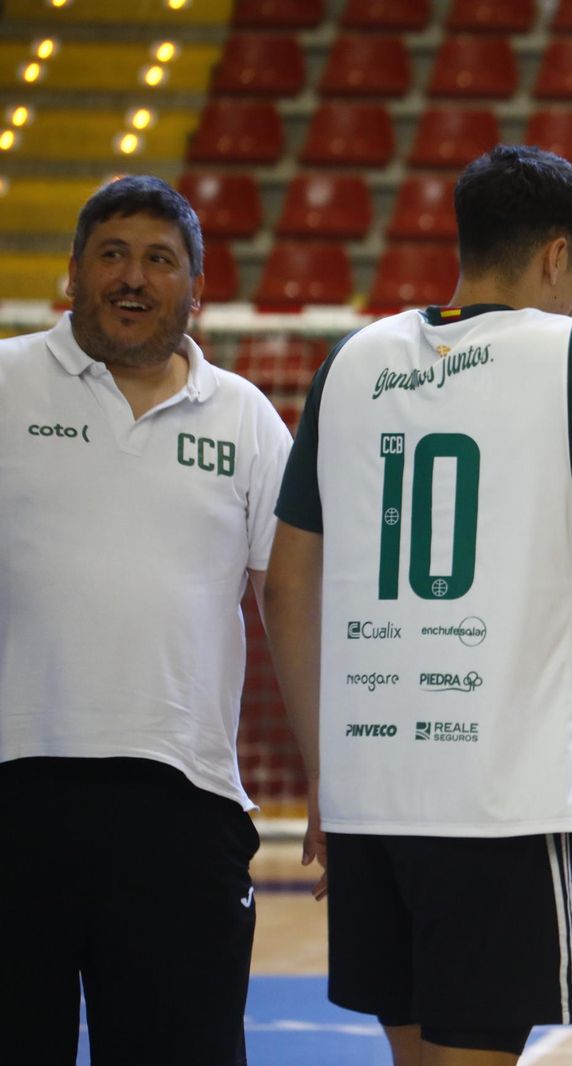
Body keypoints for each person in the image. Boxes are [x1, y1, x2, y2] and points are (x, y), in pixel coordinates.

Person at [263, 145, 572, 1065]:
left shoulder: (351, 360)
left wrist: (326, 772)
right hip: (500, 798)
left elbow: (287, 584)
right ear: (556, 255)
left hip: (368, 790)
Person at [0, 176, 291, 1064]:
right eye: (113, 255)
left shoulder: (245, 416)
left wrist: (338, 780)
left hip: (185, 806)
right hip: (15, 791)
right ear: (75, 274)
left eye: (159, 260)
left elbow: (293, 604)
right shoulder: (5, 384)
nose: (134, 277)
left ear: (193, 289)